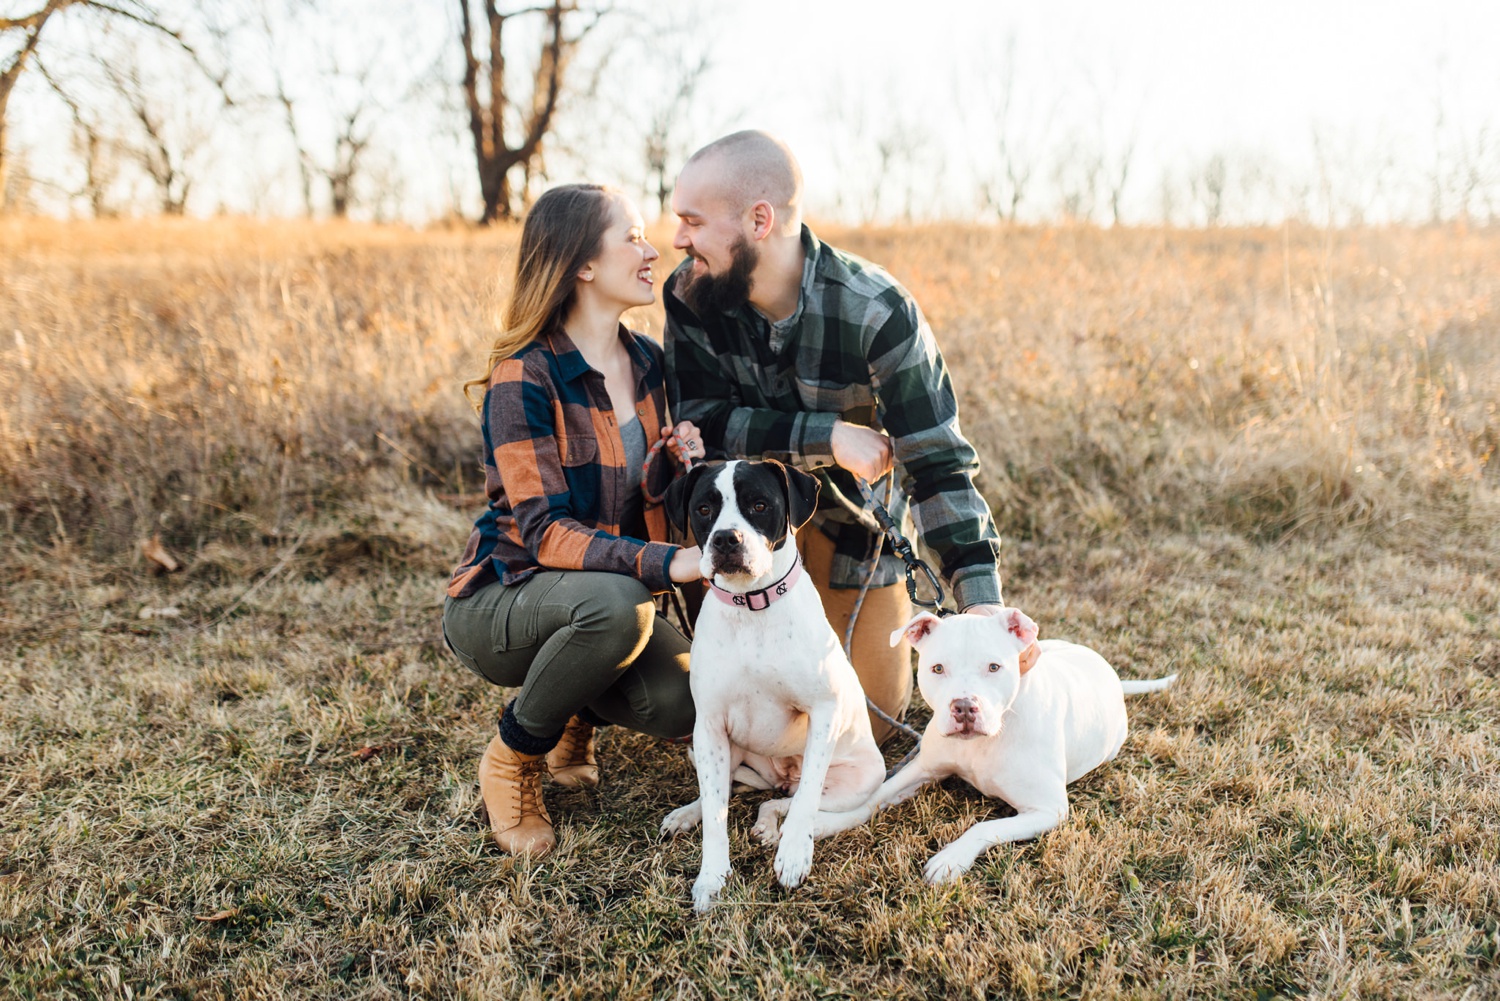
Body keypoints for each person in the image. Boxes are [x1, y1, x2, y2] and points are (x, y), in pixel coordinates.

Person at [663, 131, 1006, 745]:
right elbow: (703, 419)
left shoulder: (877, 311)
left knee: (869, 724)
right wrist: (828, 435)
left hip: (854, 530)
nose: (678, 240)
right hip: (739, 522)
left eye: (692, 221)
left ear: (759, 220)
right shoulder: (692, 294)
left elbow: (938, 465)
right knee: (755, 723)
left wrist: (980, 605)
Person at [443, 183, 706, 857]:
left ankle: (570, 716)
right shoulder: (524, 376)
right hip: (506, 599)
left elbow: (646, 503)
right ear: (582, 264)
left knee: (687, 698)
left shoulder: (649, 364)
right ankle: (514, 756)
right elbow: (545, 533)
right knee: (619, 605)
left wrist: (678, 464)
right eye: (633, 236)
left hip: (605, 601)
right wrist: (663, 563)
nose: (653, 251)